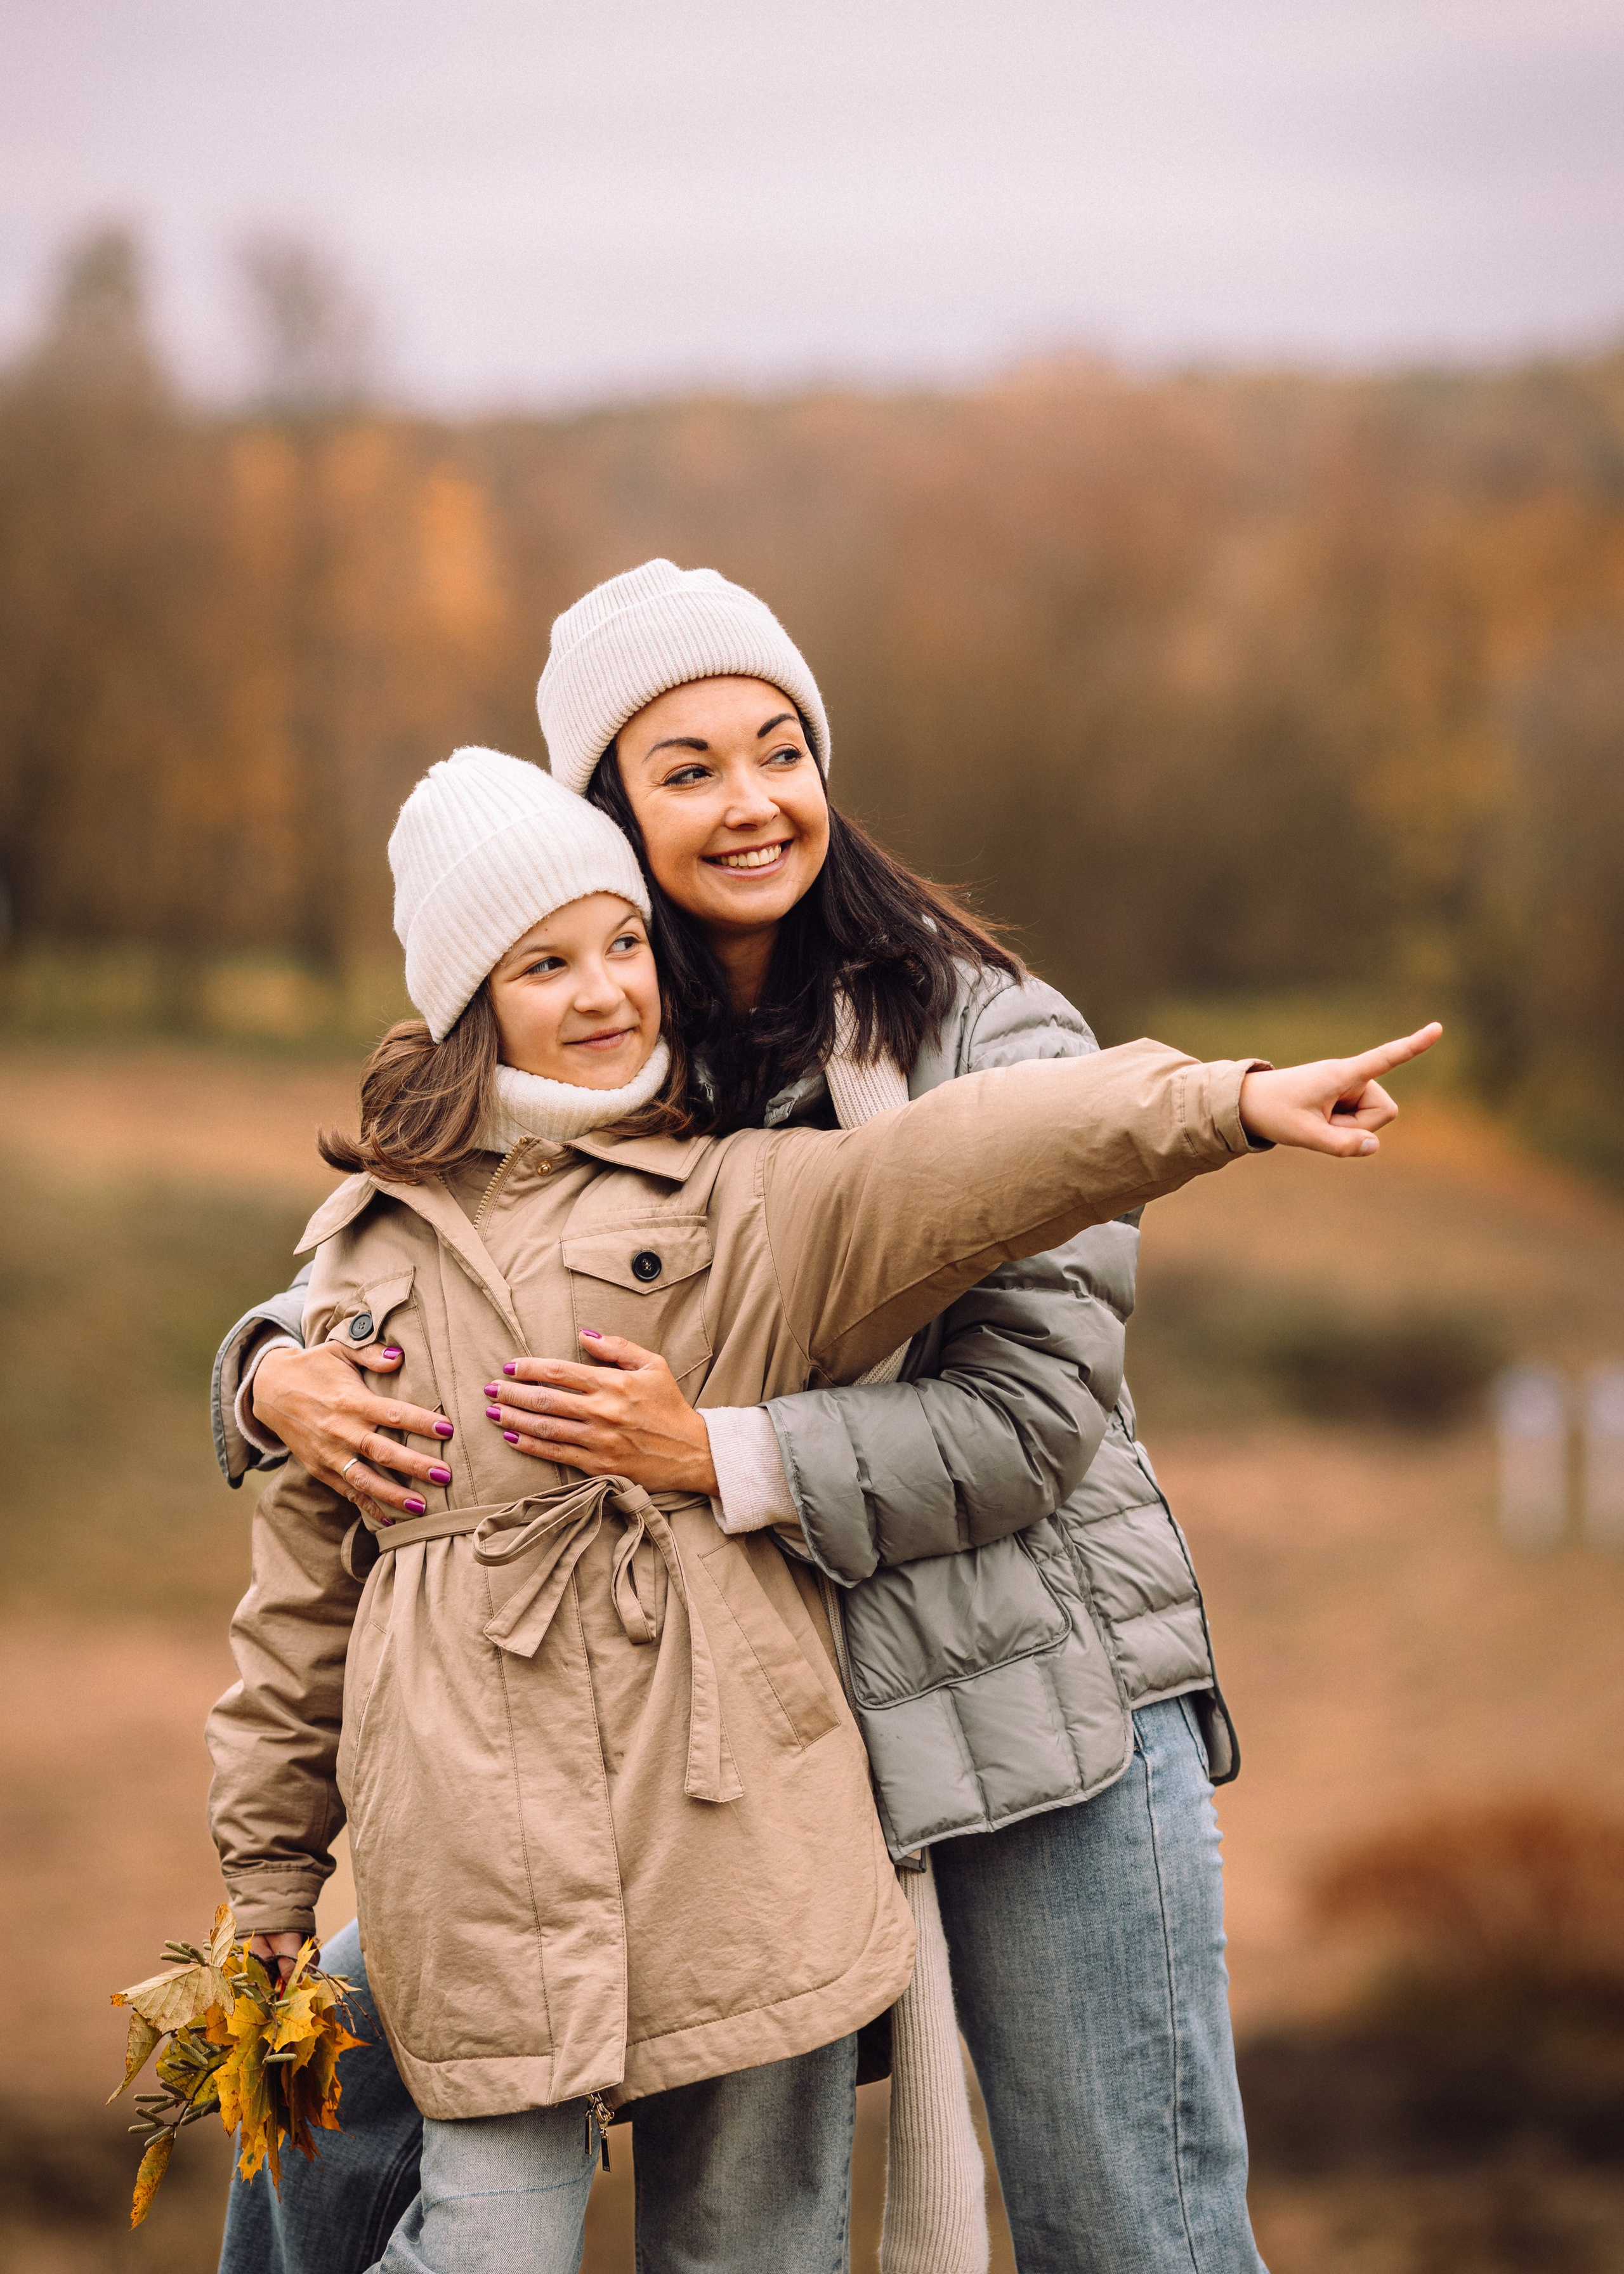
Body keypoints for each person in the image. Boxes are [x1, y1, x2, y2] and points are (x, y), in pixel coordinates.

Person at [211, 565, 1435, 2274]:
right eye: (685, 768)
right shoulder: (615, 1037)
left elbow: (1025, 1426)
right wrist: (266, 1367)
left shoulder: (974, 1026)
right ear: (609, 819)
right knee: (336, 2072)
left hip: (1033, 1702)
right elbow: (441, 1222)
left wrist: (711, 1453)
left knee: (1124, 2233)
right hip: (746, 1738)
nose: (750, 802)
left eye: (778, 749)